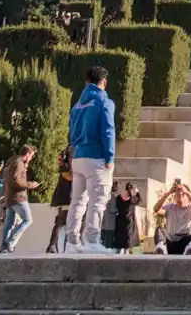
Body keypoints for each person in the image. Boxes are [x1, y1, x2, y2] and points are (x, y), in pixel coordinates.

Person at [67, 66, 118, 254]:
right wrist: (110, 157)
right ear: (104, 82)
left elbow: (71, 131)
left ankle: (72, 242)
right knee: (97, 200)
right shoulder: (105, 102)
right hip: (97, 157)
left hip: (79, 156)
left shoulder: (77, 105)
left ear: (86, 82)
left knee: (77, 201)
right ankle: (92, 240)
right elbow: (108, 130)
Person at [0, 145, 40, 253]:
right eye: (31, 156)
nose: (31, 158)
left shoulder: (11, 162)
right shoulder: (18, 163)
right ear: (27, 154)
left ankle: (3, 247)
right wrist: (29, 184)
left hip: (9, 197)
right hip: (18, 197)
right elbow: (16, 180)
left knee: (9, 223)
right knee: (28, 220)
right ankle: (10, 242)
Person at [155, 179, 191, 254]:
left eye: (182, 193)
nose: (179, 194)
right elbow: (156, 209)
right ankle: (161, 248)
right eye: (177, 193)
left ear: (188, 196)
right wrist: (168, 193)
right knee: (159, 229)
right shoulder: (170, 207)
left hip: (187, 242)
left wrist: (186, 192)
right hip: (172, 241)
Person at [46, 148, 73, 253]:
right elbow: (71, 178)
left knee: (61, 223)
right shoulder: (66, 169)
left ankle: (54, 245)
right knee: (61, 222)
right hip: (66, 198)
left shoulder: (64, 167)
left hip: (64, 198)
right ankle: (53, 245)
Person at [109, 181, 141, 254]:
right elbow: (139, 200)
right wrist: (137, 192)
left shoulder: (119, 197)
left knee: (120, 243)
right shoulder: (132, 199)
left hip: (120, 221)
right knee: (127, 243)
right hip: (129, 222)